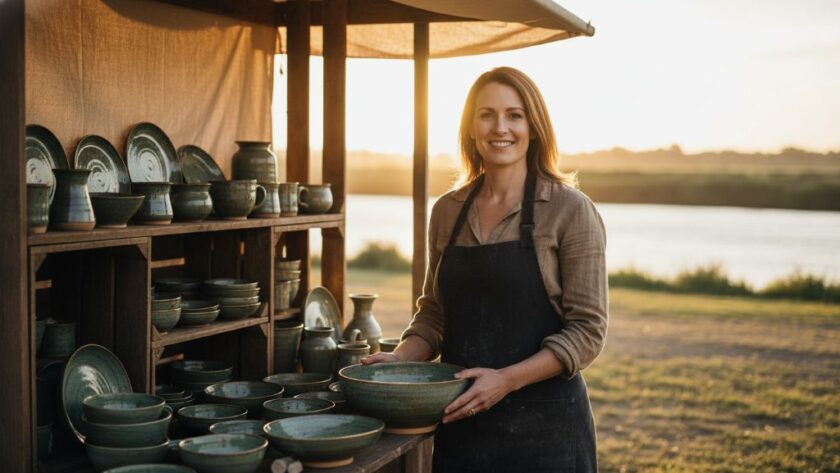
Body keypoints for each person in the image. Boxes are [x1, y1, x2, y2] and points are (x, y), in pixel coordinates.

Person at [361, 66, 608, 472]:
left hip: (547, 432)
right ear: (471, 128)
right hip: (463, 423)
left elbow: (587, 332)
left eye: (515, 115)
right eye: (487, 114)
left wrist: (506, 380)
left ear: (534, 127)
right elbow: (434, 313)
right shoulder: (447, 211)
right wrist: (402, 359)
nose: (501, 127)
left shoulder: (570, 210)